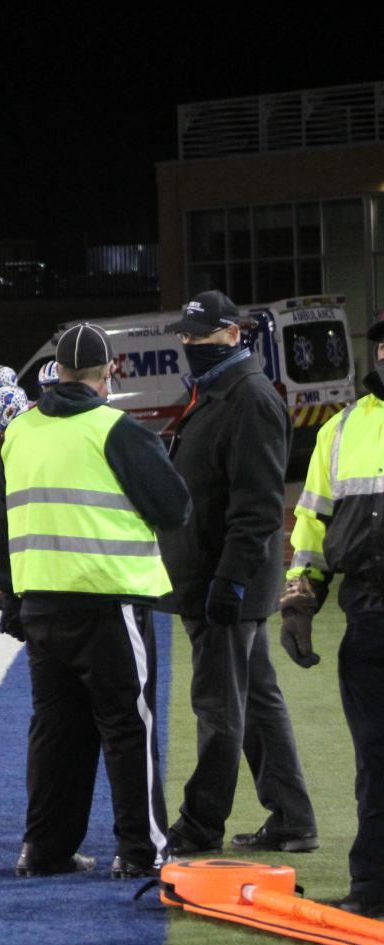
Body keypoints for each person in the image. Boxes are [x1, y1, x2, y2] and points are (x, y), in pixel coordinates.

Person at [0, 323, 191, 880]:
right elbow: (174, 507)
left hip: (41, 606)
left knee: (56, 731)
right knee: (128, 727)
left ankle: (46, 850)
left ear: (55, 373)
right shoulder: (117, 430)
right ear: (109, 373)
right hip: (108, 600)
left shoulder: (19, 431)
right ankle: (143, 851)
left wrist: (12, 597)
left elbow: (0, 525)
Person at [157, 290, 317, 857]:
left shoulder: (247, 397)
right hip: (217, 576)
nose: (188, 342)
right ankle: (294, 820)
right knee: (258, 702)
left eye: (198, 335)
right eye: (186, 333)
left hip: (222, 581)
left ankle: (201, 826)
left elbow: (256, 505)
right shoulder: (224, 391)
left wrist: (231, 582)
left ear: (232, 334)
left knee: (220, 708)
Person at [279, 313, 384, 917]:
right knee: (375, 756)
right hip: (368, 615)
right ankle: (373, 889)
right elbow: (311, 526)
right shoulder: (341, 430)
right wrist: (300, 601)